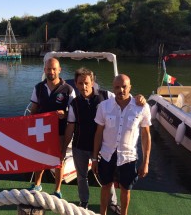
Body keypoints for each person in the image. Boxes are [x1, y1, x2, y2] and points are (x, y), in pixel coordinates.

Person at [64, 68, 145, 212]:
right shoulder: (73, 104)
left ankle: (112, 203)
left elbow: (124, 97)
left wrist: (139, 97)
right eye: (80, 83)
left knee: (107, 178)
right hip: (79, 146)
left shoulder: (106, 96)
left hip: (102, 147)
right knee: (82, 177)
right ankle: (84, 201)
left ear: (93, 83)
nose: (84, 86)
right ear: (76, 84)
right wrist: (64, 147)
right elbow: (70, 127)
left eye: (87, 83)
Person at [92, 74, 151, 215]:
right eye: (117, 87)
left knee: (126, 189)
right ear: (113, 88)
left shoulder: (142, 108)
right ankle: (103, 213)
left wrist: (146, 162)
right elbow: (98, 133)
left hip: (128, 157)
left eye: (124, 87)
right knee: (105, 186)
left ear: (130, 87)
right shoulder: (103, 107)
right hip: (107, 155)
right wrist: (94, 158)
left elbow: (145, 135)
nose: (121, 90)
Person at [29, 57, 76, 199]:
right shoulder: (38, 88)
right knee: (39, 158)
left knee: (58, 160)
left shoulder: (68, 89)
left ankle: (57, 190)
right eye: (48, 69)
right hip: (41, 132)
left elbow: (73, 113)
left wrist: (65, 113)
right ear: (44, 70)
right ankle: (37, 184)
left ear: (59, 70)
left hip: (60, 132)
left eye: (54, 69)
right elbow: (33, 110)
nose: (51, 71)